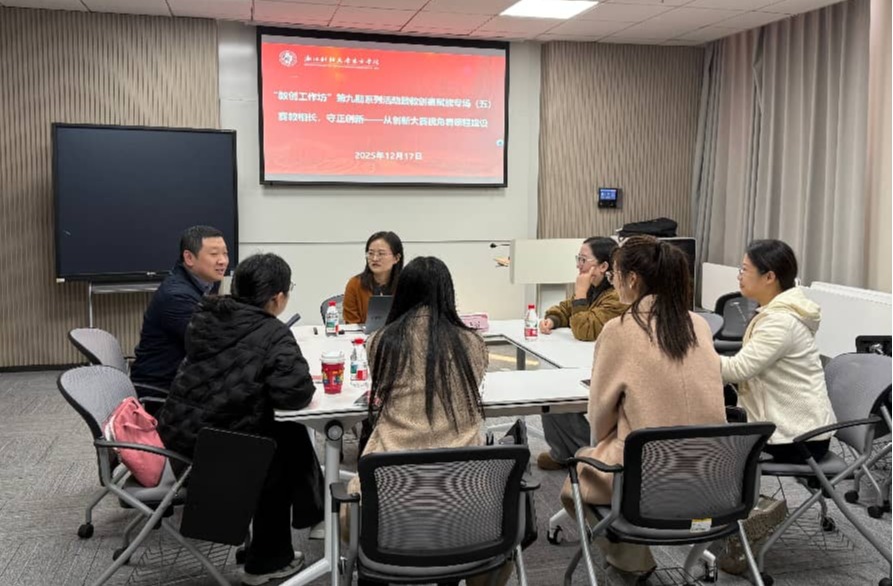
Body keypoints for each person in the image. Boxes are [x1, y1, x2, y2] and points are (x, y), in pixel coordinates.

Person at [560, 235, 726, 577]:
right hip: (714, 475)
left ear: (632, 279)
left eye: (615, 275)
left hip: (647, 476)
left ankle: (632, 562)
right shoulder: (698, 325)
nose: (613, 282)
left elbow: (599, 420)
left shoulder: (620, 330)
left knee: (573, 484)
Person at [157, 253, 321, 586]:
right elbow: (294, 394)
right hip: (217, 450)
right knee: (281, 448)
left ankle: (311, 518)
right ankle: (267, 562)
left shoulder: (206, 316)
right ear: (277, 297)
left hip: (181, 432)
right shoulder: (272, 332)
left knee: (285, 434)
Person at [343, 257, 509, 586]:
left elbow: (384, 391)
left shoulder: (381, 341)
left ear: (402, 292)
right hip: (464, 488)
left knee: (348, 511)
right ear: (448, 293)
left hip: (392, 487)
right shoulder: (472, 342)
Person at [721, 239, 835, 463]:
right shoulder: (775, 312)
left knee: (709, 439)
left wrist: (697, 356)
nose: (739, 276)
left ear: (769, 277)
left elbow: (737, 370)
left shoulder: (780, 321)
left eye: (744, 270)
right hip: (791, 427)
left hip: (797, 439)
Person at [536, 237, 627, 471]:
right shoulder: (594, 289)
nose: (578, 265)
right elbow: (565, 309)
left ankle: (591, 458)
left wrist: (579, 293)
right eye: (578, 259)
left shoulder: (616, 296)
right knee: (549, 389)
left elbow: (585, 330)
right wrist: (553, 319)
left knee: (559, 395)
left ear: (603, 266)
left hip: (607, 368)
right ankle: (563, 453)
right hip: (585, 359)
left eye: (583, 260)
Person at [130, 225, 229, 391]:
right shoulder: (177, 296)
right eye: (214, 254)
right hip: (161, 388)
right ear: (189, 258)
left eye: (225, 253)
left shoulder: (203, 283)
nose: (223, 261)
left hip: (184, 378)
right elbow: (211, 343)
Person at [342, 231, 403, 324]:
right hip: (363, 333)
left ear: (396, 258)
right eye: (370, 253)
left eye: (381, 254)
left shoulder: (407, 285)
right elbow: (351, 324)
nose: (374, 258)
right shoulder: (355, 284)